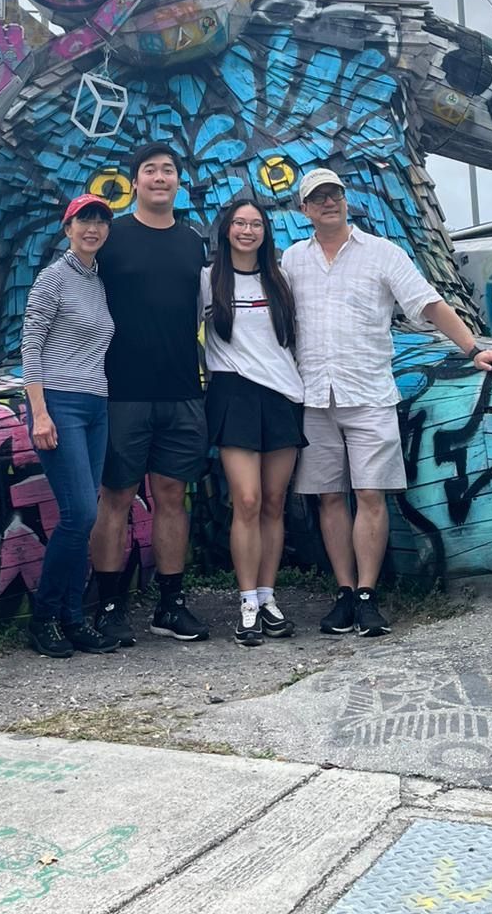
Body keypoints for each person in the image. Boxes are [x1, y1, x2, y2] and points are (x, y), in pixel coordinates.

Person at [282, 167, 492, 639]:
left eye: (335, 194)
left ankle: (367, 594)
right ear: (304, 209)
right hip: (313, 395)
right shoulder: (292, 261)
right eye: (318, 197)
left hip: (368, 392)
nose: (329, 202)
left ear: (346, 201)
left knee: (370, 493)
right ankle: (343, 591)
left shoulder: (382, 253)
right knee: (328, 497)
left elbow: (427, 304)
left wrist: (473, 349)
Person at [89, 143, 210, 645]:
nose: (160, 178)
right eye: (150, 171)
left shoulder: (193, 242)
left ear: (178, 182)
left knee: (171, 498)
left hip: (182, 389)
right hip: (120, 392)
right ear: (134, 182)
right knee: (115, 498)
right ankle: (111, 607)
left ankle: (170, 604)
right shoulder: (109, 239)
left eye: (168, 171)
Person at [202, 196, 306, 647]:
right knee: (245, 500)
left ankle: (267, 597)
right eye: (240, 223)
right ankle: (245, 602)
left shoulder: (280, 280)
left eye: (256, 224)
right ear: (226, 230)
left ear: (265, 232)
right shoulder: (207, 280)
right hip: (233, 394)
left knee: (273, 503)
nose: (247, 230)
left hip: (282, 395)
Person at [21, 194, 119, 658]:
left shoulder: (99, 282)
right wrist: (39, 412)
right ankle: (44, 619)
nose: (93, 228)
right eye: (84, 220)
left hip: (96, 403)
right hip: (58, 403)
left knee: (85, 517)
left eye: (100, 221)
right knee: (79, 514)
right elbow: (31, 347)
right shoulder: (53, 278)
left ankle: (73, 619)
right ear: (68, 228)